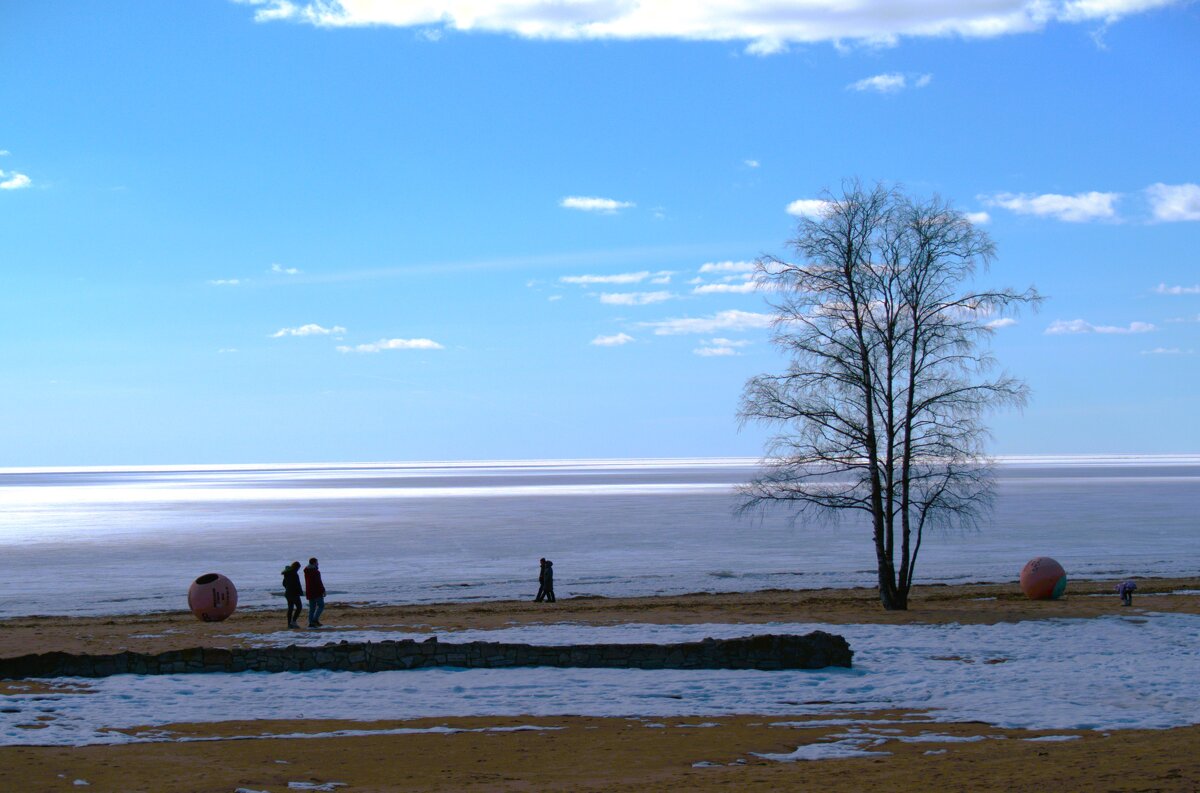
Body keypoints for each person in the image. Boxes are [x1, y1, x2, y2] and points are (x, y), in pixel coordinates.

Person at [304, 557, 327, 627]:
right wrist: (323, 590)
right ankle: (314, 620)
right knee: (321, 605)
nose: (318, 564)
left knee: (312, 608)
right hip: (316, 592)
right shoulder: (315, 572)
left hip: (309, 591)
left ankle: (311, 622)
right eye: (317, 562)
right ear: (314, 563)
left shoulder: (306, 571)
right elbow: (318, 582)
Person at [281, 561, 305, 628]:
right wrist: (301, 592)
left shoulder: (287, 573)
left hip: (288, 593)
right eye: (298, 568)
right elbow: (297, 584)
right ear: (296, 567)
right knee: (299, 607)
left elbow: (284, 583)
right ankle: (293, 621)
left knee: (290, 608)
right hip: (294, 593)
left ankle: (289, 624)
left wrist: (287, 588)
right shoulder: (294, 574)